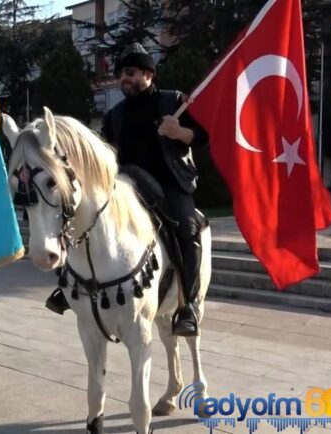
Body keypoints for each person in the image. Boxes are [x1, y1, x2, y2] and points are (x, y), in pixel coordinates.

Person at [101, 43, 210, 337]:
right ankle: (74, 288)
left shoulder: (172, 101)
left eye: (131, 72)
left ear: (148, 74)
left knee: (189, 230)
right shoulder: (115, 115)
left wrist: (179, 132)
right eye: (121, 73)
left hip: (170, 185)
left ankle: (187, 306)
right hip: (127, 188)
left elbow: (202, 137)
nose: (125, 78)